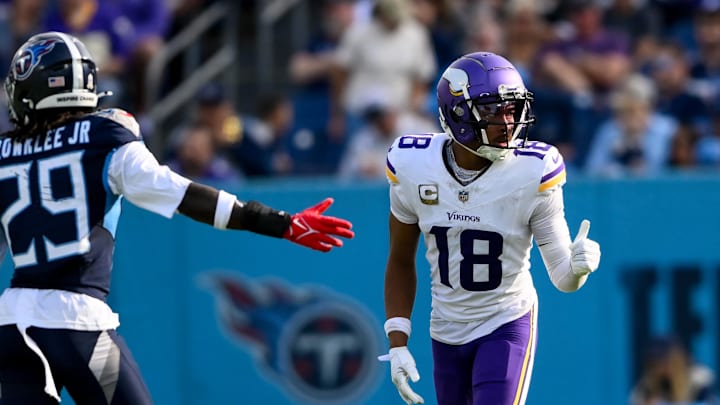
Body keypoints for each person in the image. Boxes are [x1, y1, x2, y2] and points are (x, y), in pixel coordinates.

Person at [0, 32, 354, 404]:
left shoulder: (5, 152)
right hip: (78, 324)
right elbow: (186, 196)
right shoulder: (106, 135)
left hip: (11, 325)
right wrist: (280, 223)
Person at [379, 52, 602, 405]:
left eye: (512, 110)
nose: (508, 121)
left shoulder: (533, 171)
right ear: (457, 114)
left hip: (506, 320)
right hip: (446, 328)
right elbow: (401, 259)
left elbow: (562, 277)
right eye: (493, 110)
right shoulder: (412, 165)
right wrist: (397, 343)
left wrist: (578, 269)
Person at [629, 336, 717, 405]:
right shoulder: (645, 387)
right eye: (655, 362)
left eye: (665, 360)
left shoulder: (699, 382)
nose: (661, 366)